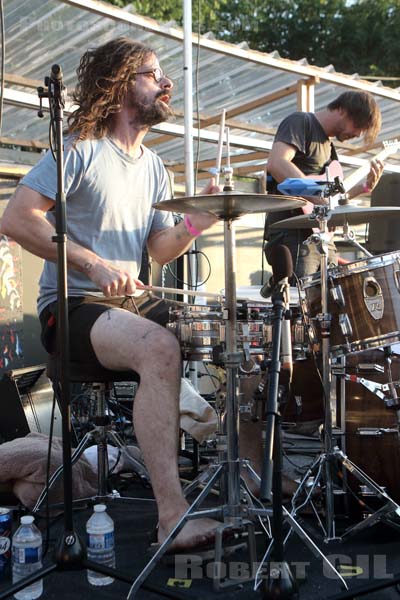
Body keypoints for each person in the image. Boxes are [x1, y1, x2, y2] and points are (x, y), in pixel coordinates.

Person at [0, 37, 221, 552]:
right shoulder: (80, 146)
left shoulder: (155, 166)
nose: (167, 84)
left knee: (245, 330)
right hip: (73, 308)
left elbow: (160, 250)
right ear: (121, 83)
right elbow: (16, 218)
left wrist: (198, 219)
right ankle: (172, 517)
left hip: (130, 305)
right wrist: (93, 263)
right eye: (153, 74)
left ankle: (255, 481)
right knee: (159, 347)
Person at [264, 91, 384, 278]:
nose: (358, 133)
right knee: (300, 303)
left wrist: (364, 188)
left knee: (331, 303)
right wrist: (318, 197)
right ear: (343, 110)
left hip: (322, 239)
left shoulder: (329, 149)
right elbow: (277, 163)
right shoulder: (301, 122)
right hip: (295, 237)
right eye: (359, 125)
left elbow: (331, 200)